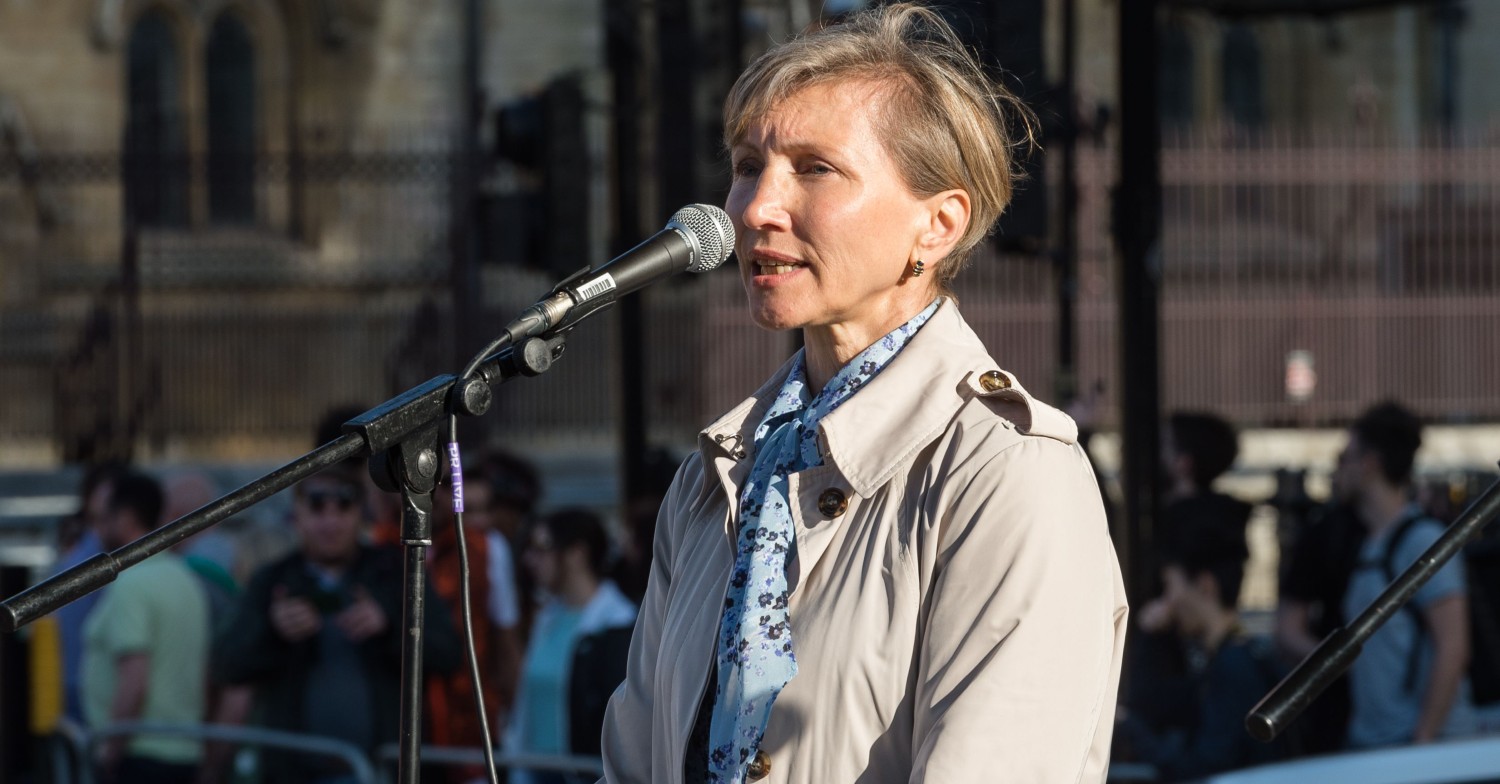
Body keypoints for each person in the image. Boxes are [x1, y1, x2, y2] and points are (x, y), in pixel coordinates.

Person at [597, 6, 1127, 783]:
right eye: (748, 165)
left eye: (814, 168)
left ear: (938, 225)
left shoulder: (1009, 473)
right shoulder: (716, 474)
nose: (754, 208)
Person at [215, 463, 462, 783]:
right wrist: (273, 632)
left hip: (384, 770)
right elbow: (226, 666)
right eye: (317, 506)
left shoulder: (396, 572)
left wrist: (391, 627)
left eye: (343, 506)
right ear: (297, 515)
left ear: (361, 513)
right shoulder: (273, 580)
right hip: (294, 772)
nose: (330, 521)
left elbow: (449, 654)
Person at [1327, 401, 1475, 748]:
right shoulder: (1370, 544)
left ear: (1370, 463)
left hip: (1418, 747)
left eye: (1344, 457)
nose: (1337, 469)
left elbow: (1453, 646)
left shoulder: (1420, 541)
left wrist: (1422, 739)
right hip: (1378, 742)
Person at [1113, 518, 1282, 781]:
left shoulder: (1231, 667)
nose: (1166, 602)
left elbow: (1204, 767)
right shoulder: (1235, 658)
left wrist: (1131, 730)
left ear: (1205, 585)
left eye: (1170, 585)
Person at [81, 470, 210, 784]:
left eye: (104, 518)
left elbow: (134, 678)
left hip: (138, 758)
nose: (97, 529)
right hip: (183, 754)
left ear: (125, 519)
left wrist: (109, 753)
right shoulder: (185, 578)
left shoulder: (132, 583)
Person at [508, 509, 636, 784]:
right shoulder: (547, 617)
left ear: (577, 553)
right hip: (533, 769)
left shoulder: (619, 622)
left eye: (542, 548)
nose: (530, 560)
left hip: (583, 773)